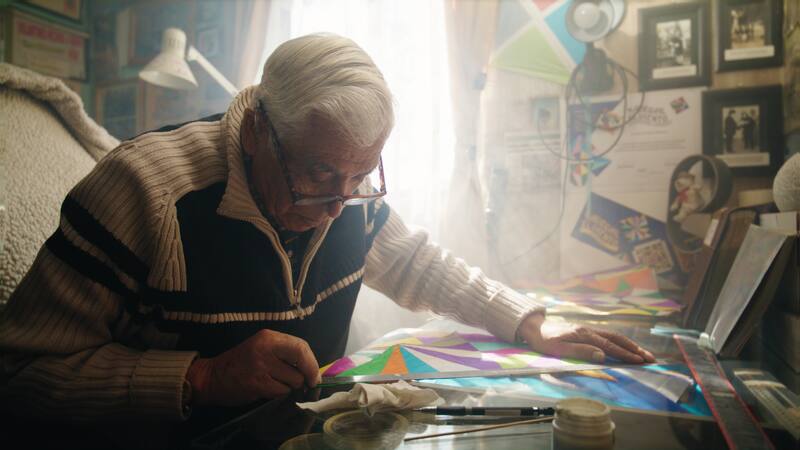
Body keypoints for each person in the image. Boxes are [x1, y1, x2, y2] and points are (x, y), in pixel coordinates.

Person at [0, 33, 653, 422]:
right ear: (256, 131)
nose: (341, 205)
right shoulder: (143, 191)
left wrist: (529, 321)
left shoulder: (347, 189)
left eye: (361, 175)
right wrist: (201, 377)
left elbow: (419, 264)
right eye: (318, 175)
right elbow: (20, 373)